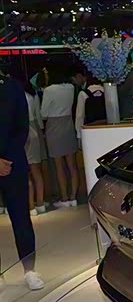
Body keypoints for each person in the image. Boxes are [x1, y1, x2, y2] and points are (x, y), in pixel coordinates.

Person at [0, 61, 45, 290]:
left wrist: (6, 158)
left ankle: (30, 270)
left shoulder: (12, 87)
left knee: (21, 218)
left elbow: (22, 128)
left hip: (12, 162)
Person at [41, 65, 79, 208]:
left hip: (54, 127)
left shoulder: (49, 90)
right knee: (72, 165)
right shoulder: (70, 87)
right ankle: (73, 198)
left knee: (59, 166)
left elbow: (43, 113)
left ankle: (64, 198)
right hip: (68, 125)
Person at [24, 81, 47, 216]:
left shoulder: (13, 93)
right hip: (34, 130)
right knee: (36, 170)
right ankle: (40, 203)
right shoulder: (32, 94)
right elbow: (39, 116)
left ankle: (30, 206)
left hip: (21, 130)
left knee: (24, 171)